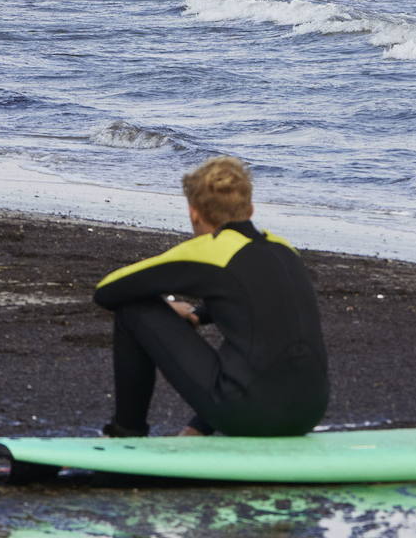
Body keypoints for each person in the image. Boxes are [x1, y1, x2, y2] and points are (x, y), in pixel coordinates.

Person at [93, 156, 329, 437]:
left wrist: (167, 305)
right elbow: (253, 302)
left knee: (134, 309)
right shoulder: (284, 249)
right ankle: (198, 428)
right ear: (250, 209)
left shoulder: (211, 250)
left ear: (194, 213)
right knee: (263, 343)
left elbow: (107, 290)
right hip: (309, 411)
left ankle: (126, 432)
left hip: (247, 413)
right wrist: (196, 315)